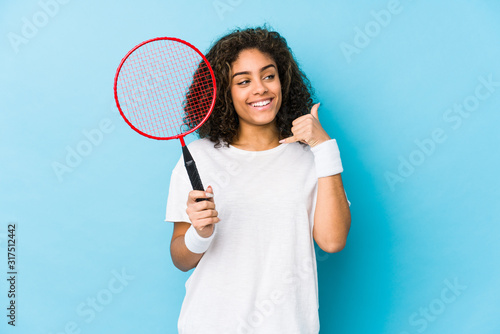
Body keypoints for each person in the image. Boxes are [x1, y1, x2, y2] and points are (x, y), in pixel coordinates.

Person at [165, 26, 351, 334]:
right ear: (224, 91)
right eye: (243, 81)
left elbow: (332, 241)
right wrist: (201, 233)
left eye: (268, 76)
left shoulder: (311, 158)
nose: (260, 89)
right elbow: (181, 259)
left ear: (283, 81)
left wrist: (325, 148)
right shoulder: (198, 158)